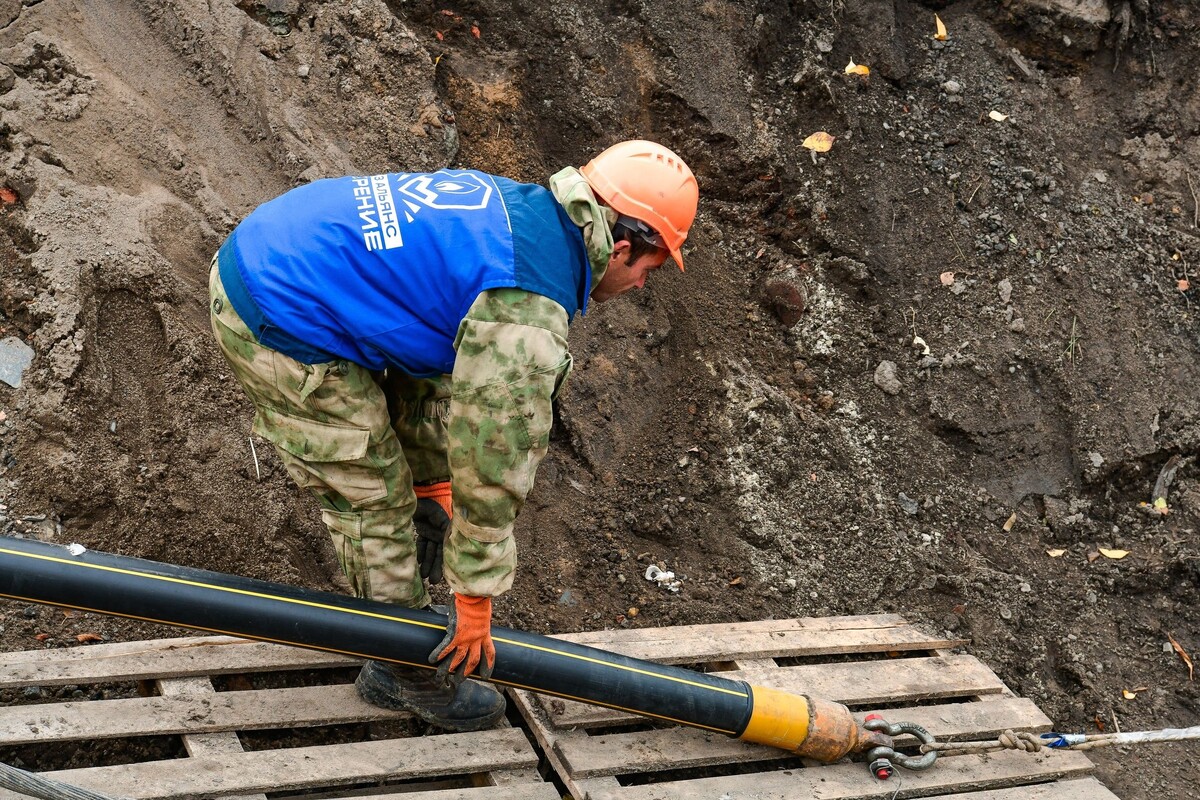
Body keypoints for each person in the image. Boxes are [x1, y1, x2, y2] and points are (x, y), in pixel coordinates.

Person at [208, 140, 698, 731]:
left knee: (405, 485)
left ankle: (401, 566)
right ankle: (400, 668)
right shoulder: (527, 312)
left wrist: (433, 482)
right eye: (650, 268)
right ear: (620, 248)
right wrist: (474, 599)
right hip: (279, 306)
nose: (644, 285)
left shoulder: (524, 214)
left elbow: (432, 354)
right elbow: (494, 458)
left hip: (292, 248)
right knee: (369, 495)